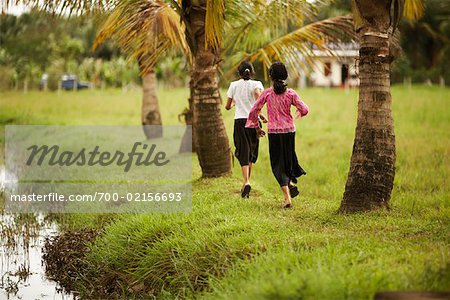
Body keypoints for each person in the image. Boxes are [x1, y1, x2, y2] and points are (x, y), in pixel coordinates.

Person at [246, 62, 309, 208]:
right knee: (288, 160)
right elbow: (304, 109)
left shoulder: (267, 93)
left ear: (271, 76)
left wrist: (256, 126)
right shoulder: (291, 93)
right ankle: (291, 182)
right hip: (290, 131)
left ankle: (287, 198)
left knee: (277, 165)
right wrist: (298, 113)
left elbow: (254, 111)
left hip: (274, 133)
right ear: (285, 75)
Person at [225, 61, 266, 198]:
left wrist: (235, 103)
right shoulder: (257, 84)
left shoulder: (233, 85)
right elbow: (258, 97)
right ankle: (246, 183)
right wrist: (260, 114)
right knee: (251, 152)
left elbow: (227, 106)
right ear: (252, 72)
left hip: (240, 121)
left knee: (243, 150)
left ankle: (246, 182)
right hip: (253, 120)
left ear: (240, 73)